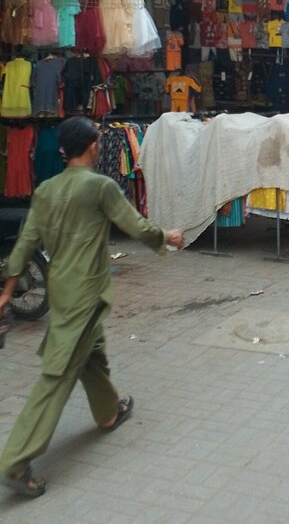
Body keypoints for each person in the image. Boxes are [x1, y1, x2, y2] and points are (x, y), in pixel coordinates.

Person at [0, 117, 184, 499]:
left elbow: (25, 242)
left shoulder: (47, 190)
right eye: (98, 142)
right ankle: (15, 461)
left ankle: (107, 412)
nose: (100, 147)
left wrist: (7, 291)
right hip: (85, 295)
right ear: (90, 146)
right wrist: (167, 236)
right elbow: (133, 224)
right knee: (58, 374)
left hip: (62, 291)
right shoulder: (100, 186)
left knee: (92, 353)